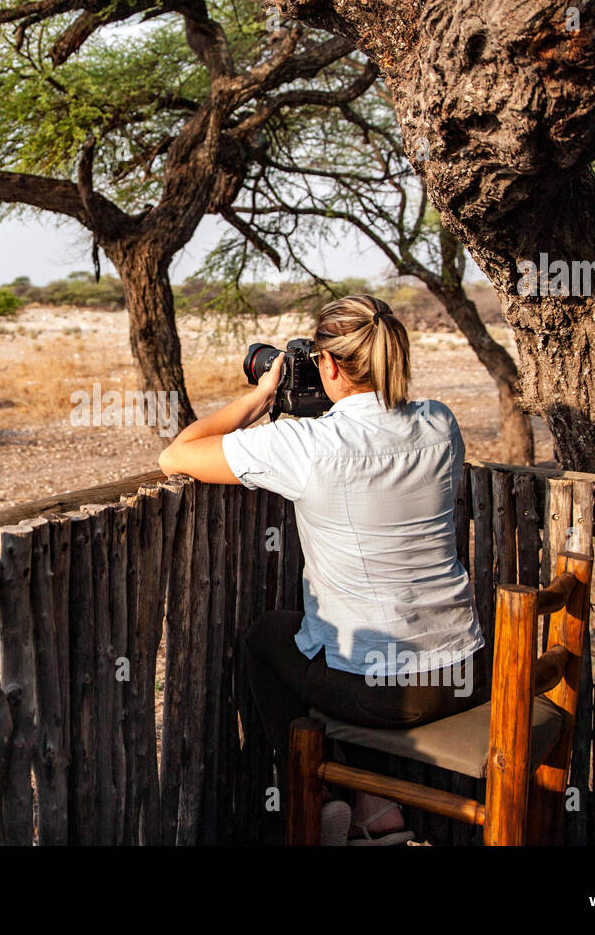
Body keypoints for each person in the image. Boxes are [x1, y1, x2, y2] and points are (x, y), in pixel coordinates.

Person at [157, 294, 489, 844]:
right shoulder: (438, 421)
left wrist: (262, 395)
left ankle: (312, 798)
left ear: (328, 365)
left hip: (389, 694)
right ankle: (375, 806)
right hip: (465, 672)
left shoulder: (306, 446)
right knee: (345, 644)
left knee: (271, 638)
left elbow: (177, 454)